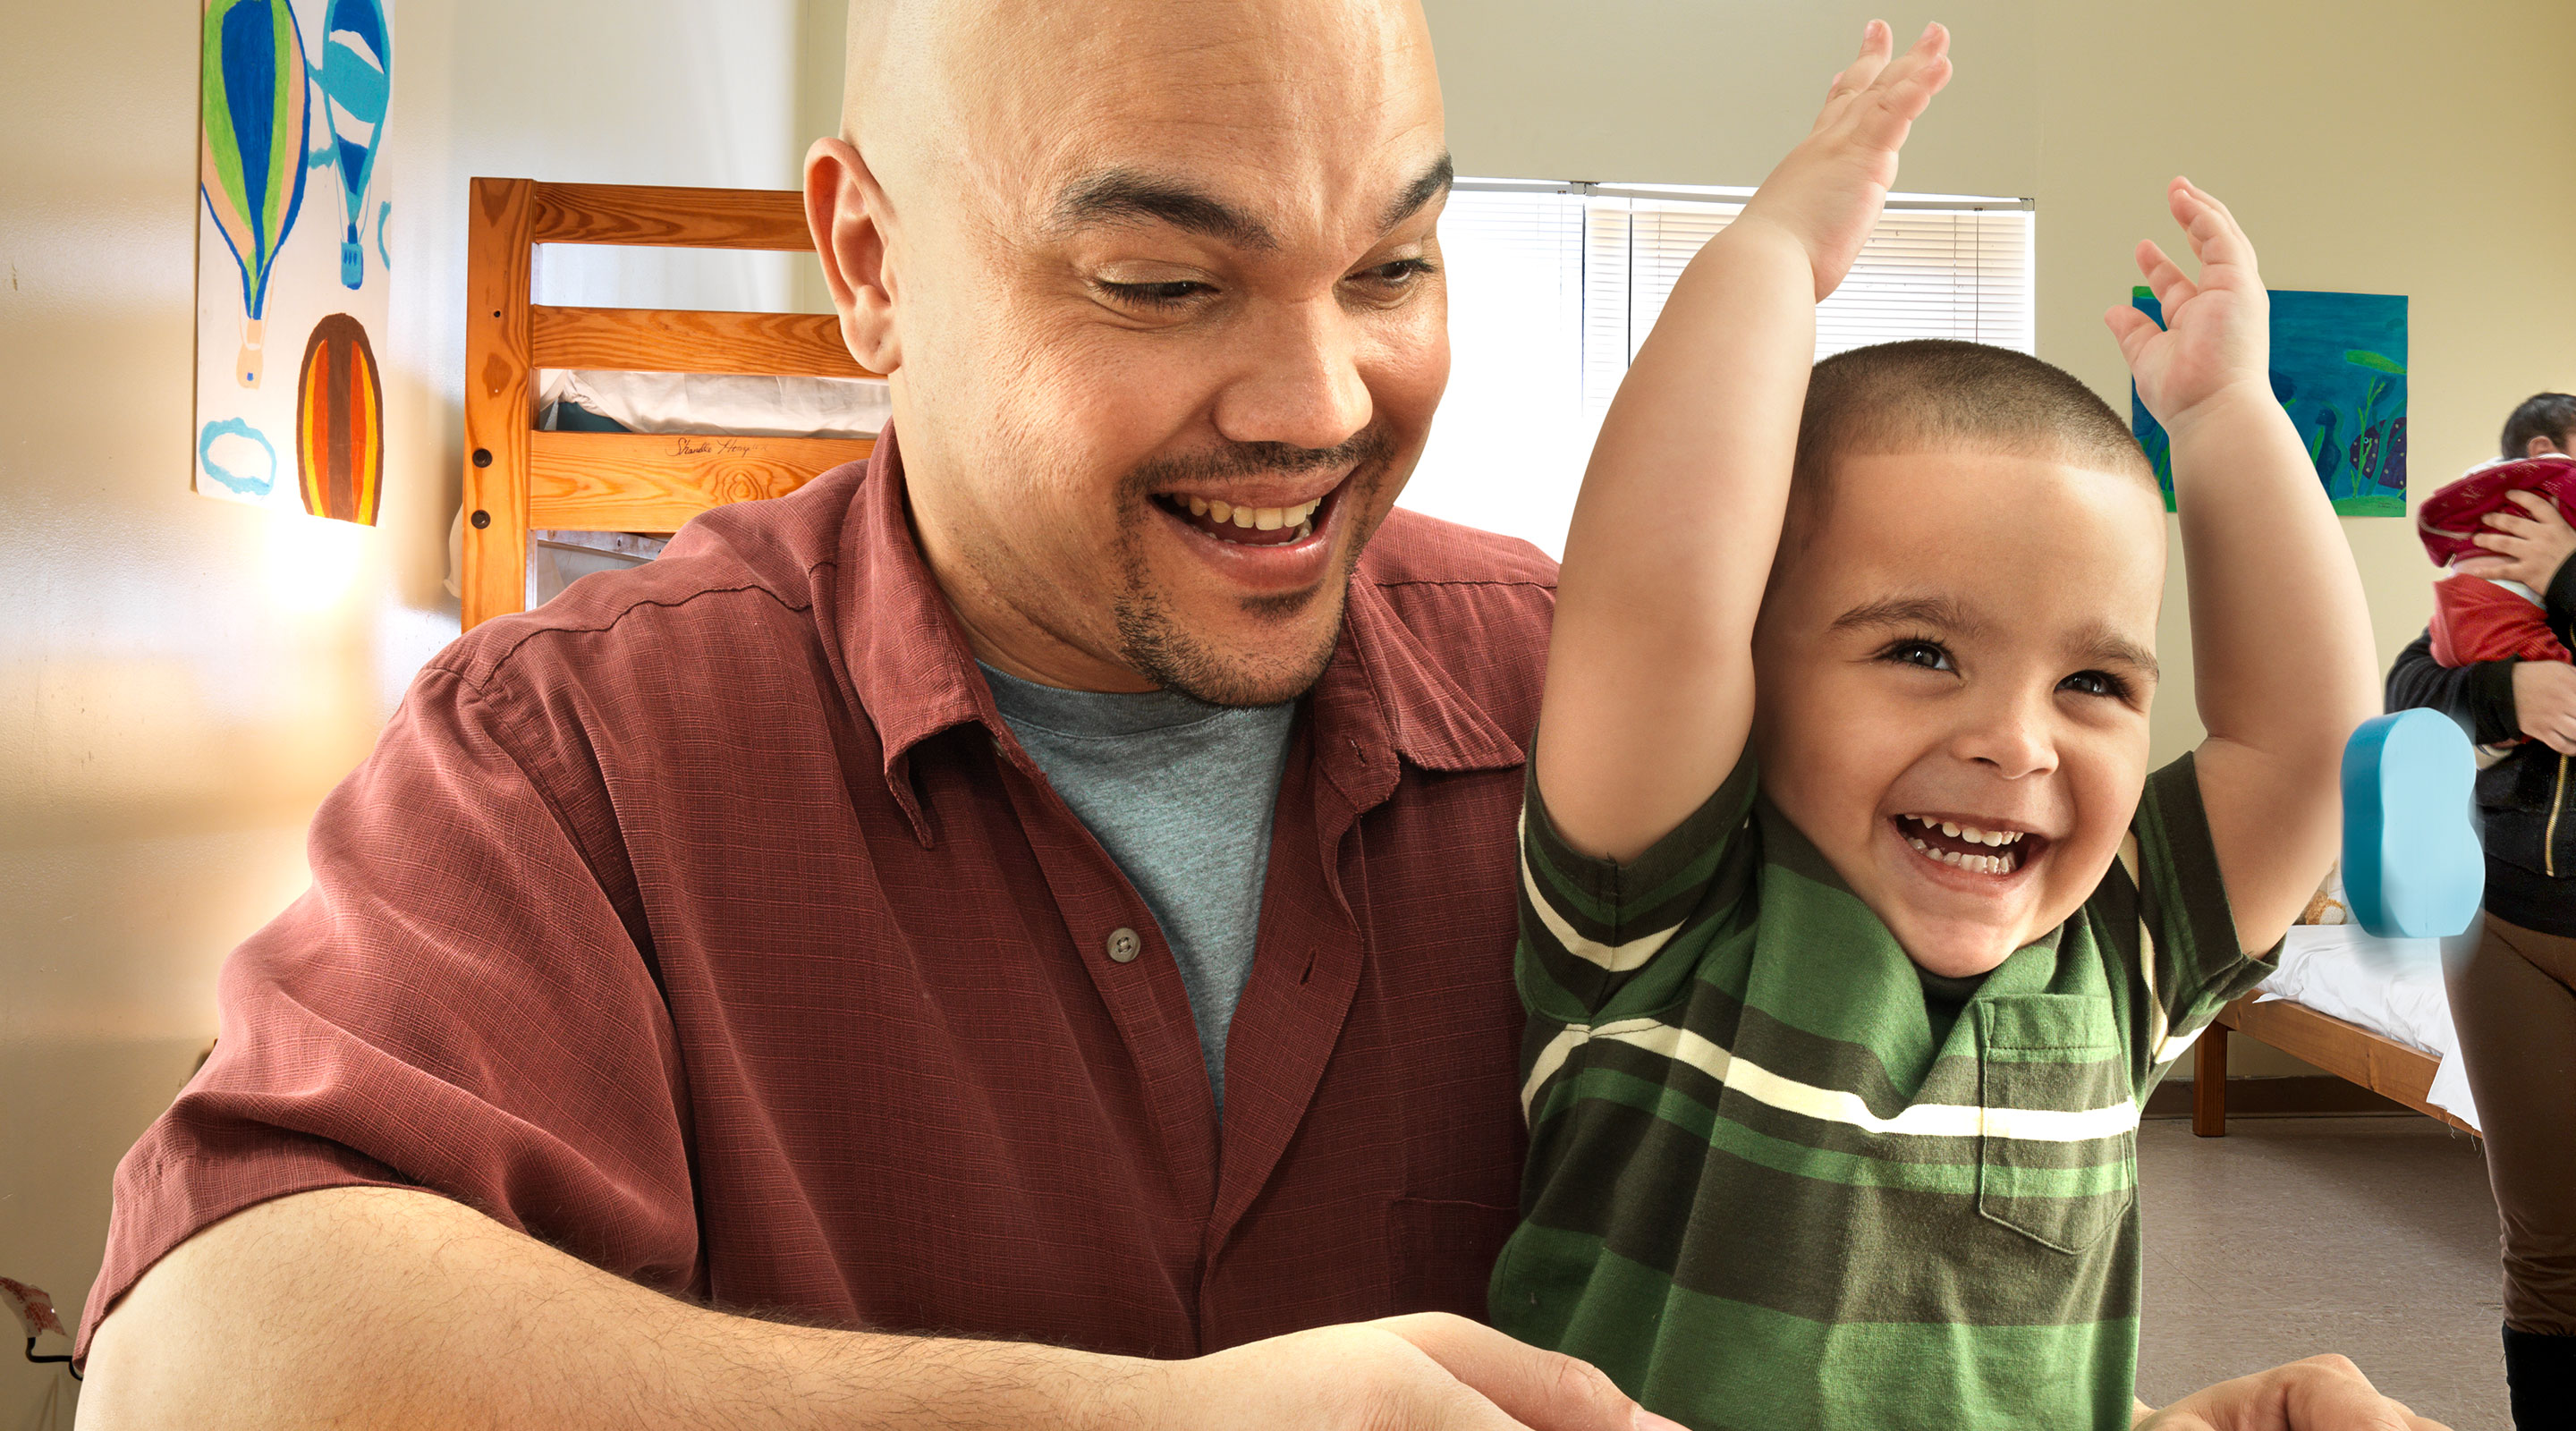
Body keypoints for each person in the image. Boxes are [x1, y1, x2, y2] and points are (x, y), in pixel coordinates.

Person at [73, 4, 2445, 1427]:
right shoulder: (577, 756)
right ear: (872, 262)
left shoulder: (1632, 732)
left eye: (1395, 261)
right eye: (1159, 278)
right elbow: (204, 1366)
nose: (1318, 400)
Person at [1490, 21, 2438, 1431]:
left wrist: (2227, 416)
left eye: (2095, 684)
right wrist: (1772, 254)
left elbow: (2305, 749)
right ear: (1752, 666)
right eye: (1921, 652)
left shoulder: (2119, 957)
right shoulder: (1663, 911)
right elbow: (1655, 603)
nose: (2019, 742)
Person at [2385, 393, 2576, 1430]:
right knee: (2547, 1246)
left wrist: (2570, 577)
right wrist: (2506, 697)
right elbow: (2408, 690)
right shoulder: (2489, 582)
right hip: (2504, 923)